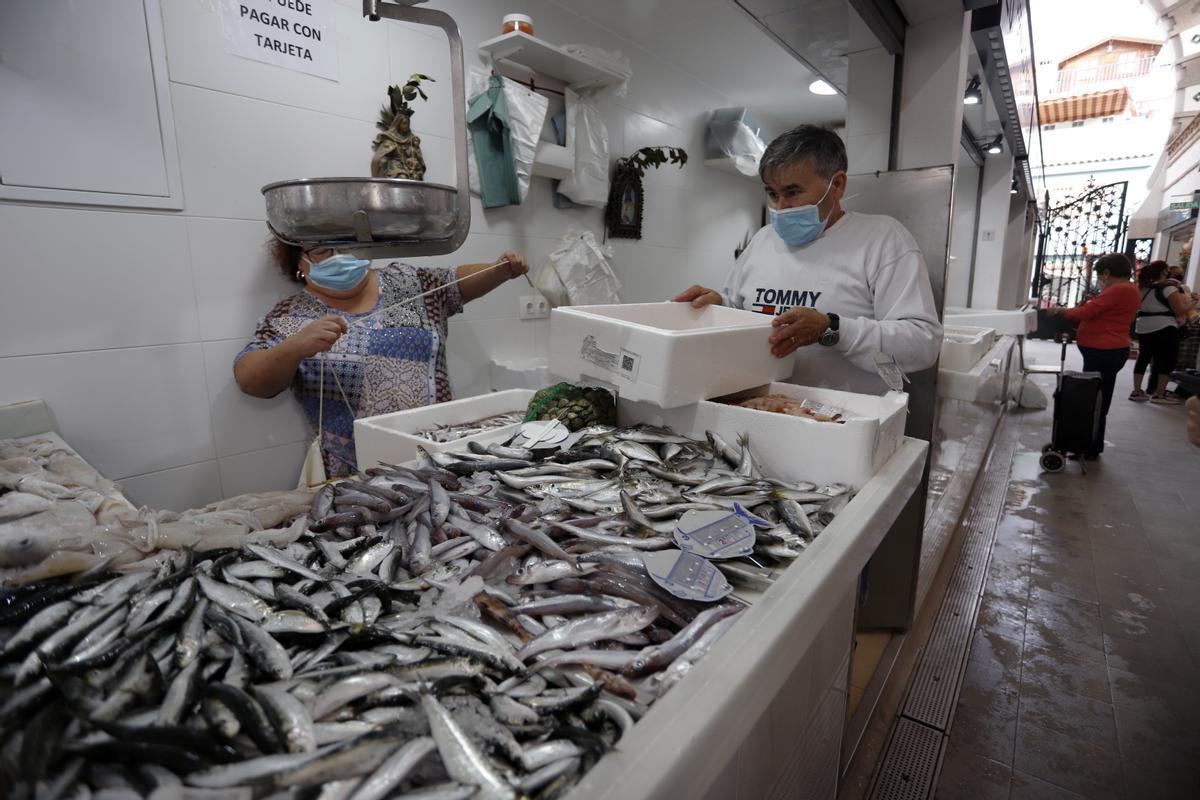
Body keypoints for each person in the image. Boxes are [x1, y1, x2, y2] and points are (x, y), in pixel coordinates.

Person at [673, 125, 941, 393]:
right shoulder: (763, 240)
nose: (780, 208)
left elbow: (923, 343)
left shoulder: (883, 240)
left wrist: (832, 330)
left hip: (844, 419)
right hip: (760, 407)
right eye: (772, 193)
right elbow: (741, 312)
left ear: (836, 185)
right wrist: (719, 305)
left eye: (792, 193)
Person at [234, 243, 529, 477]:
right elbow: (249, 379)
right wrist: (295, 347)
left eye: (348, 245)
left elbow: (454, 284)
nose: (340, 255)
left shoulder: (407, 285)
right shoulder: (292, 316)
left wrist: (500, 269)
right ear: (298, 262)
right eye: (322, 250)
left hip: (440, 455)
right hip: (355, 473)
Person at [1046, 253, 1139, 455]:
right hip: (1107, 349)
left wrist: (1059, 311)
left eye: (1100, 275)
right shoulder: (1128, 289)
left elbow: (1086, 313)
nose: (1100, 280)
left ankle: (1090, 445)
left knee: (1096, 398)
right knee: (1096, 395)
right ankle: (1090, 443)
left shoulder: (1119, 289)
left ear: (1106, 272)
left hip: (1105, 350)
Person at [1130, 260, 1197, 404]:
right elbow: (1179, 310)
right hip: (1165, 326)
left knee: (1143, 358)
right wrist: (1194, 302)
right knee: (1167, 360)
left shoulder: (1143, 288)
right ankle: (1159, 395)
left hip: (1143, 326)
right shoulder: (1169, 288)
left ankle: (1136, 391)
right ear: (1165, 272)